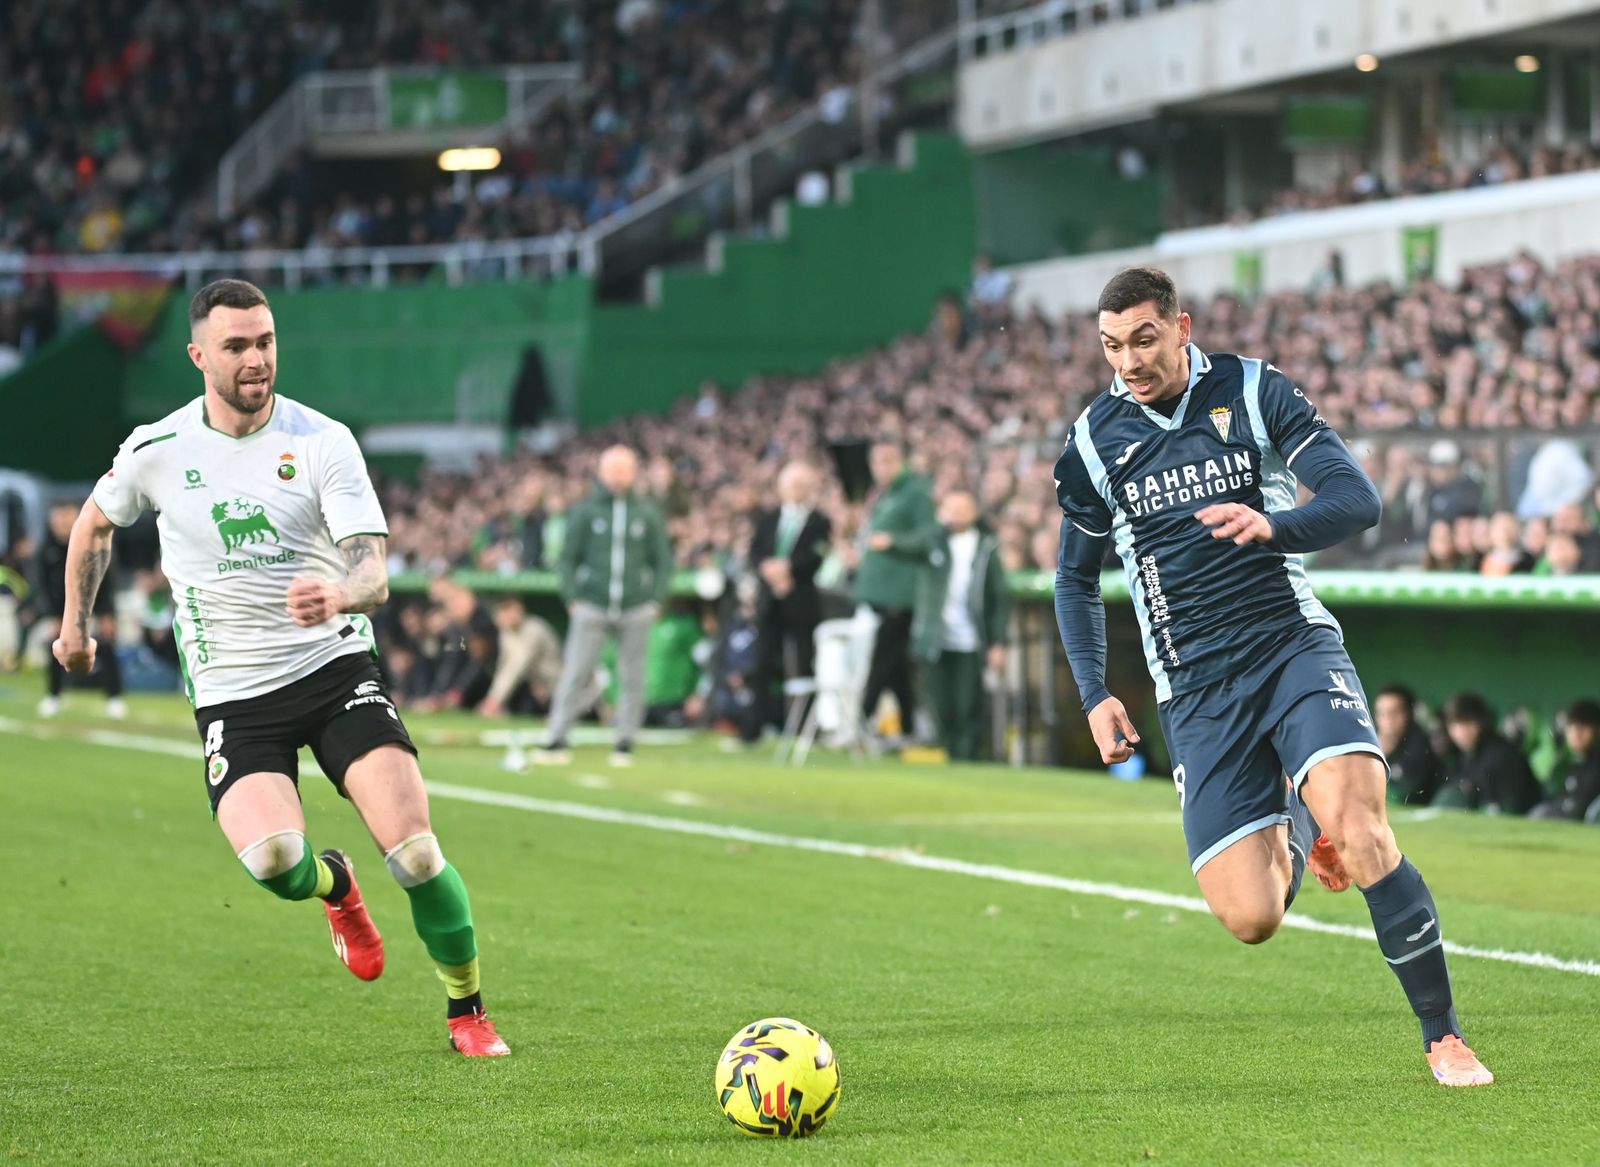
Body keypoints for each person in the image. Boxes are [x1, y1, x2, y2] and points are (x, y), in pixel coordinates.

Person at [1053, 266, 1492, 1087]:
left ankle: (1444, 1036)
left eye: (1144, 339)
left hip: (1291, 646)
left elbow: (1357, 500)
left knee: (1362, 831)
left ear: (1182, 328)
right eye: (1112, 346)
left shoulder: (1253, 392)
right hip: (1196, 687)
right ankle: (1300, 816)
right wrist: (1095, 689)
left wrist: (1274, 523)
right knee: (1252, 915)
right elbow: (1074, 579)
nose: (1129, 361)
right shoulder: (1091, 442)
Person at [52, 279, 508, 1057]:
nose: (256, 358)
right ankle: (335, 884)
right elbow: (95, 524)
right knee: (273, 861)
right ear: (200, 355)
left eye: (265, 341)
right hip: (234, 692)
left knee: (416, 850)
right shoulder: (157, 449)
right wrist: (74, 628)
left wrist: (340, 592)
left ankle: (467, 1010)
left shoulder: (323, 440)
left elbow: (374, 572)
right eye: (236, 346)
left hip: (335, 670)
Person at [532, 445, 672, 767]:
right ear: (601, 472)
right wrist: (573, 598)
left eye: (625, 469)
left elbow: (662, 560)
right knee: (576, 672)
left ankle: (625, 741)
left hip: (635, 606)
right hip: (592, 603)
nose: (619, 476)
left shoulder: (647, 512)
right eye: (613, 469)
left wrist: (655, 599)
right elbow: (567, 559)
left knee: (632, 676)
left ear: (634, 473)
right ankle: (557, 738)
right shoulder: (585, 511)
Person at [906, 490, 1011, 761]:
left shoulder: (986, 547)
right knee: (940, 704)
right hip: (936, 639)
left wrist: (998, 642)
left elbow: (999, 598)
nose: (956, 514)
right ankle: (949, 754)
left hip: (971, 640)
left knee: (968, 706)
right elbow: (907, 545)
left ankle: (967, 758)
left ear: (974, 512)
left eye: (962, 509)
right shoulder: (933, 541)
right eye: (951, 508)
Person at [855, 442, 935, 743]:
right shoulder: (885, 494)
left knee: (883, 658)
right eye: (876, 462)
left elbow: (929, 538)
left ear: (902, 461)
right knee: (895, 662)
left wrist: (893, 542)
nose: (881, 468)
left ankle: (861, 718)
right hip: (883, 592)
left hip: (901, 594)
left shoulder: (916, 493)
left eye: (889, 461)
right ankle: (908, 727)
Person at [748, 462, 832, 729]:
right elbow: (755, 551)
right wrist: (768, 569)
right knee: (761, 662)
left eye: (801, 485)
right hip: (769, 600)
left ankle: (805, 726)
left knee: (803, 663)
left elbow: (817, 555)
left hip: (801, 601)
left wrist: (789, 568)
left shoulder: (820, 520)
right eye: (792, 484)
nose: (796, 490)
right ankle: (754, 727)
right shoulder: (769, 518)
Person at [37, 500, 127, 718]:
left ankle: (114, 698)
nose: (62, 524)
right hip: (61, 607)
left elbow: (107, 579)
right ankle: (53, 695)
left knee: (106, 645)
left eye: (67, 519)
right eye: (58, 519)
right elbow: (43, 585)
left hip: (96, 601)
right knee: (57, 646)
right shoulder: (45, 551)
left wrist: (107, 614)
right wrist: (53, 616)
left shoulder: (91, 544)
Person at [1436, 692, 1543, 814]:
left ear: (1480, 724)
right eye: (1453, 725)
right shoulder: (1465, 756)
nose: (1458, 732)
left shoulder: (1501, 754)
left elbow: (1512, 807)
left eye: (1465, 723)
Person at [479, 595, 563, 718]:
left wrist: (494, 700)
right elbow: (503, 668)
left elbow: (517, 667)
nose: (505, 616)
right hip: (536, 689)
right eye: (502, 611)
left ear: (520, 610)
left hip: (558, 690)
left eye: (509, 610)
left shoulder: (534, 630)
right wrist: (492, 698)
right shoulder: (506, 633)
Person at [1530, 698, 1600, 822]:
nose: (1576, 733)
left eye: (1583, 726)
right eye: (1572, 726)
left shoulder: (1595, 767)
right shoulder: (1572, 765)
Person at [1374, 684, 1443, 806]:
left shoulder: (1419, 744)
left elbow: (1405, 794)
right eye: (1382, 713)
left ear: (1409, 714)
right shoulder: (1373, 742)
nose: (1388, 719)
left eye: (1394, 712)